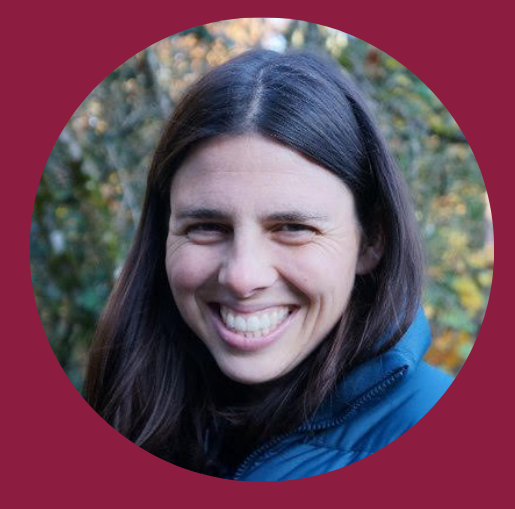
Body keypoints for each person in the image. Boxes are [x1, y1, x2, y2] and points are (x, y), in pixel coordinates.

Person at [83, 50, 451, 480]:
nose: (242, 276)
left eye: (293, 227)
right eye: (206, 226)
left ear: (371, 242)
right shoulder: (128, 406)